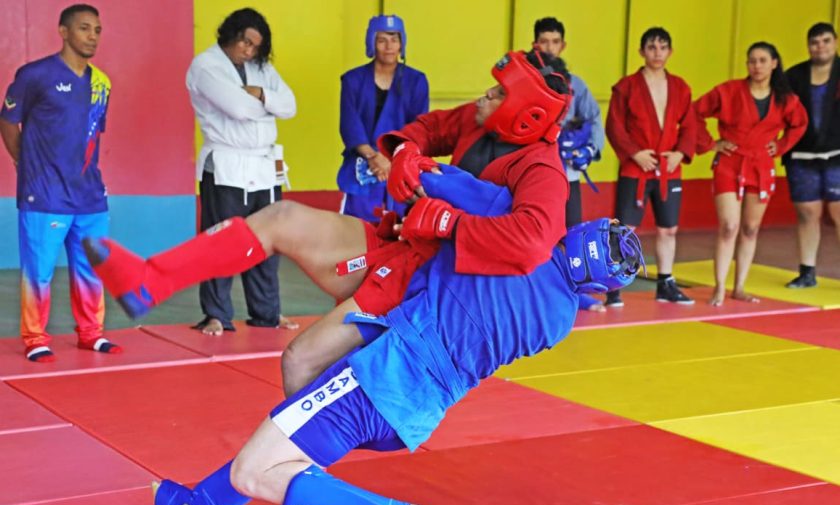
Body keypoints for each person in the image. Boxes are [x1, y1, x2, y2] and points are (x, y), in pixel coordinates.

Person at [148, 173, 644, 505]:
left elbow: (435, 182)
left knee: (254, 469)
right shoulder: (559, 320)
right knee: (287, 453)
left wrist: (413, 170)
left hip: (377, 379)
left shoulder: (505, 228)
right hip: (414, 414)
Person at [85, 49, 573, 399]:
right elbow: (427, 128)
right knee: (281, 217)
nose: (485, 95)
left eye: (498, 92)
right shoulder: (479, 119)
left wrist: (447, 221)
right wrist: (405, 153)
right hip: (404, 247)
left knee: (300, 361)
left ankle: (300, 478)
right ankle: (150, 280)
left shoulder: (543, 171)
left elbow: (531, 242)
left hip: (437, 287)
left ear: (523, 114)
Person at [0, 4, 122, 363]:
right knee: (38, 272)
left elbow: (90, 137)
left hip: (90, 195)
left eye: (97, 30)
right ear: (63, 32)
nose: (92, 36)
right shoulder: (34, 75)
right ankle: (35, 337)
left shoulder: (102, 83)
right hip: (45, 194)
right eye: (84, 28)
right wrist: (25, 162)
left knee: (91, 269)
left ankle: (91, 333)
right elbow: (8, 122)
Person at [187, 8, 298, 337]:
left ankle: (267, 313)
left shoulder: (261, 68)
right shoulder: (206, 66)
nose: (249, 51)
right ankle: (216, 315)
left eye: (256, 46)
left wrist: (261, 94)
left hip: (264, 166)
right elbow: (237, 108)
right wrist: (267, 106)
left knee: (267, 243)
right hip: (226, 165)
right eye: (245, 42)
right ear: (230, 34)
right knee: (221, 242)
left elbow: (290, 106)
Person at [695, 42, 808, 305]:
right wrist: (711, 144)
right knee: (728, 226)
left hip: (761, 165)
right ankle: (719, 287)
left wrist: (781, 145)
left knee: (750, 228)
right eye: (752, 61)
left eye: (762, 60)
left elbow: (799, 124)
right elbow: (694, 112)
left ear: (774, 64)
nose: (756, 66)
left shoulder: (786, 99)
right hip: (730, 162)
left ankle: (740, 287)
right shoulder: (728, 91)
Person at [605, 26, 697, 308]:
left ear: (670, 52)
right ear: (641, 51)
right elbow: (615, 126)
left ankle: (666, 283)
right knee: (625, 229)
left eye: (662, 47)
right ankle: (614, 285)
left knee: (668, 229)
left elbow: (690, 124)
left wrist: (680, 153)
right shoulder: (626, 86)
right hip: (636, 168)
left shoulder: (680, 87)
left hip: (669, 168)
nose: (657, 53)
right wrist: (634, 153)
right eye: (652, 47)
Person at [533, 16, 606, 312]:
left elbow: (594, 118)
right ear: (535, 45)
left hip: (568, 172)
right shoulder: (526, 78)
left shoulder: (576, 85)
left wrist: (590, 148)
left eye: (554, 42)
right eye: (544, 41)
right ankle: (535, 293)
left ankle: (576, 292)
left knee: (572, 233)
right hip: (534, 172)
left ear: (562, 45)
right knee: (536, 232)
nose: (549, 47)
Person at [337, 14, 429, 222]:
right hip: (362, 164)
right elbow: (350, 124)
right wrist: (373, 156)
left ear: (402, 44)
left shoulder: (416, 81)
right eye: (382, 40)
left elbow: (419, 127)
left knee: (400, 225)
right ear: (372, 43)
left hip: (401, 163)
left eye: (394, 40)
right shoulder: (353, 80)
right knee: (356, 227)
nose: (389, 47)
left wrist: (391, 159)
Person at [783, 23, 840, 288]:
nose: (820, 47)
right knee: (807, 213)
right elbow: (778, 112)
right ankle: (807, 272)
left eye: (826, 41)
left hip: (837, 154)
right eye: (815, 42)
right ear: (808, 46)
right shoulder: (793, 76)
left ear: (835, 42)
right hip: (802, 155)